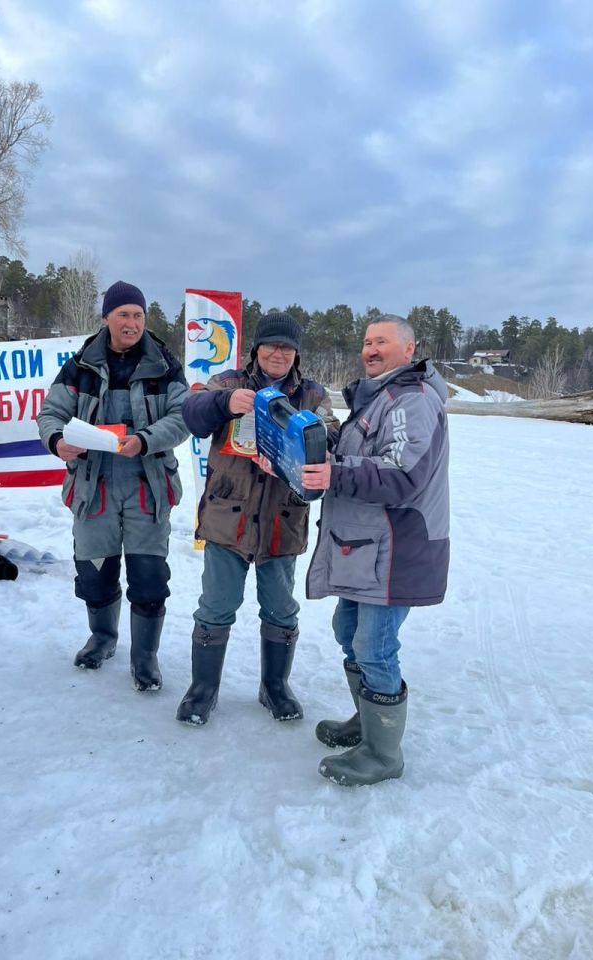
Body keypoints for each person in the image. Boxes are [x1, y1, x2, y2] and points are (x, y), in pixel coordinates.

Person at [303, 314, 450, 786]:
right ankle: (367, 724)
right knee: (348, 629)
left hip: (398, 544)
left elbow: (403, 474)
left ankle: (384, 755)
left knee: (375, 644)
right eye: (367, 342)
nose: (370, 349)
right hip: (365, 545)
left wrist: (335, 471)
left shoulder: (412, 399)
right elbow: (359, 454)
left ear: (409, 349)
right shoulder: (376, 398)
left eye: (382, 341)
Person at [177, 311, 340, 726]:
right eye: (272, 345)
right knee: (215, 606)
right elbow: (192, 414)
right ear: (257, 349)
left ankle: (275, 687)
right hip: (227, 518)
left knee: (281, 609)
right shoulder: (229, 383)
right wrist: (223, 403)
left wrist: (311, 440)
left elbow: (334, 434)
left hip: (281, 521)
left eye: (287, 347)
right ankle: (202, 690)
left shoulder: (314, 395)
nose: (279, 353)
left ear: (296, 353)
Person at [37, 280, 189, 691]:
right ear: (106, 318)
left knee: (149, 576)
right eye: (123, 314)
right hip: (94, 487)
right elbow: (50, 413)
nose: (131, 322)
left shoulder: (165, 365)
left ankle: (145, 658)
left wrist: (145, 440)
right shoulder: (79, 366)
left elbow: (182, 418)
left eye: (138, 315)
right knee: (95, 573)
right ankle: (102, 638)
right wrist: (57, 441)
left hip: (147, 486)